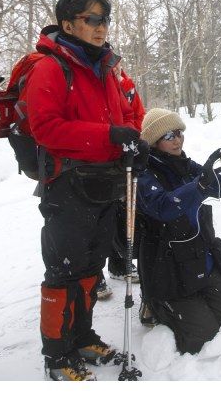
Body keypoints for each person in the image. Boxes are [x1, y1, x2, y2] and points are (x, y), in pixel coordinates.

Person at [25, 0, 145, 381]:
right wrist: (110, 136)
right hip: (68, 184)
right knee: (63, 271)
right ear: (68, 24)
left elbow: (125, 114)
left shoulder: (104, 67)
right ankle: (57, 354)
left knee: (91, 266)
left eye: (105, 19)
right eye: (92, 19)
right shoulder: (51, 67)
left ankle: (83, 336)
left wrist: (131, 139)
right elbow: (45, 128)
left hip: (105, 183)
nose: (101, 27)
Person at [136, 108, 221, 355]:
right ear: (154, 142)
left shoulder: (184, 165)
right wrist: (198, 186)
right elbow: (164, 207)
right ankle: (155, 305)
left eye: (178, 132)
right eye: (168, 136)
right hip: (167, 267)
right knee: (203, 336)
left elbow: (216, 186)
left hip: (198, 259)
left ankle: (194, 300)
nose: (177, 139)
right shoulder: (144, 174)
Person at [97, 62, 146, 300]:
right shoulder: (92, 82)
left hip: (124, 154)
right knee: (96, 216)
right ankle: (94, 272)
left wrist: (133, 137)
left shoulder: (127, 85)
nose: (114, 68)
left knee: (122, 211)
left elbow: (138, 114)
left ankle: (119, 263)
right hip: (97, 156)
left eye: (116, 64)